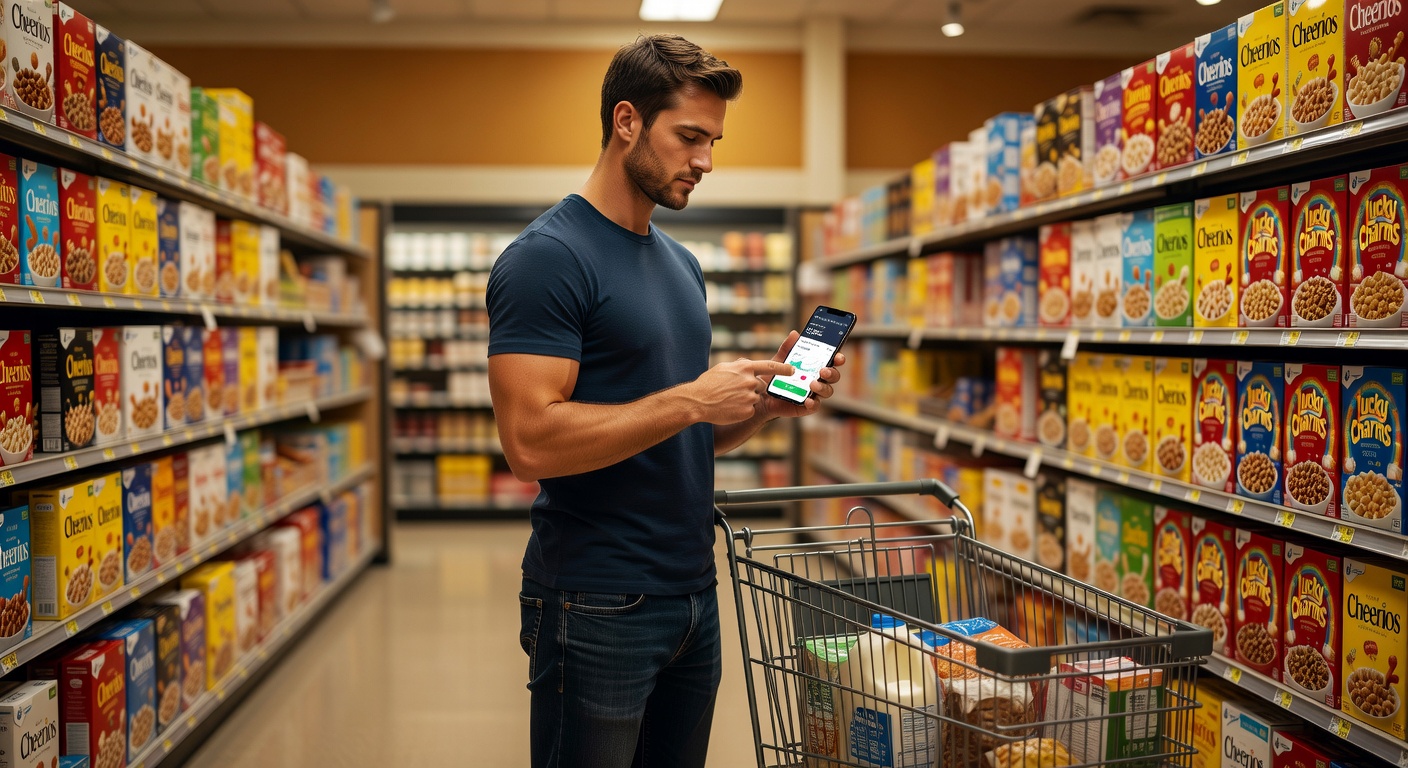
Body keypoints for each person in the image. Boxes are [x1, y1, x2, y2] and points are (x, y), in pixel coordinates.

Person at [485, 33, 845, 768]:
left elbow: (687, 436)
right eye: (689, 137)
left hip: (692, 592)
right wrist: (688, 399)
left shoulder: (680, 265)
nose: (705, 161)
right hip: (595, 598)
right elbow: (529, 442)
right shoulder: (547, 258)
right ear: (626, 122)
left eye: (713, 141)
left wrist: (763, 406)